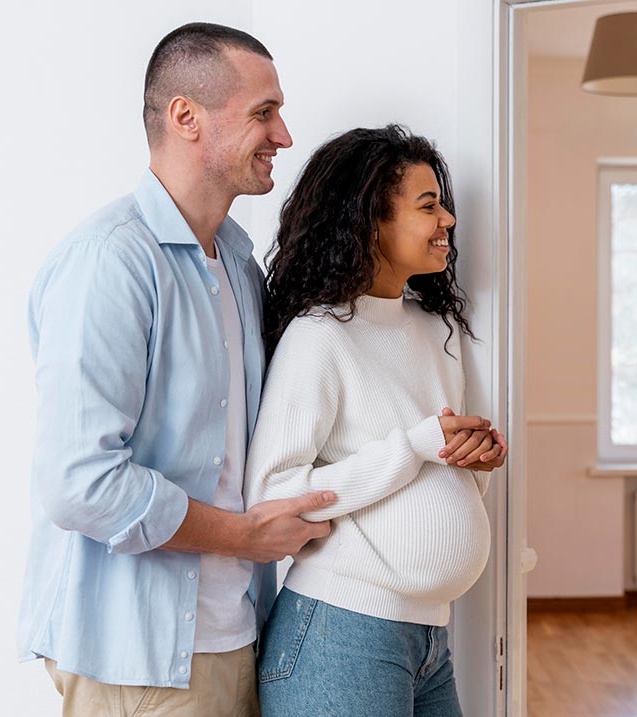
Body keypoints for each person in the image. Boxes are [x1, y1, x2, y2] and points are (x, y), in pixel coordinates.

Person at [18, 23, 337, 716]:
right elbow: (79, 482)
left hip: (234, 635)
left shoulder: (239, 262)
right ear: (185, 117)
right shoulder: (111, 263)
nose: (283, 135)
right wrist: (245, 536)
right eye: (263, 112)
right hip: (136, 658)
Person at [245, 125, 507, 717]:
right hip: (341, 632)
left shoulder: (435, 329)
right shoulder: (318, 335)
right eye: (427, 205)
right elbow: (269, 496)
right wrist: (415, 444)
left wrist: (473, 459)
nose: (449, 220)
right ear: (370, 220)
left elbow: (431, 471)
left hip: (428, 641)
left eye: (444, 203)